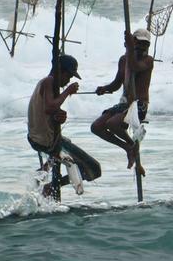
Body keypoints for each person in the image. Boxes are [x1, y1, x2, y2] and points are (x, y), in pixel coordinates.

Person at [27, 54, 101, 194]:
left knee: (65, 143)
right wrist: (68, 91)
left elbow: (48, 111)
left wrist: (58, 116)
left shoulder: (44, 83)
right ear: (61, 71)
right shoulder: (49, 81)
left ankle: (44, 172)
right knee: (94, 169)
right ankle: (52, 187)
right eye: (68, 76)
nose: (68, 80)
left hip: (37, 138)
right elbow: (49, 107)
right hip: (46, 141)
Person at [91, 29, 154, 173]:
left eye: (146, 44)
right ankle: (128, 147)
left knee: (112, 124)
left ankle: (132, 147)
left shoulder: (147, 60)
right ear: (133, 41)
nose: (142, 47)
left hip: (139, 105)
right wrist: (104, 89)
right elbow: (117, 84)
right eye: (139, 43)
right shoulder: (123, 59)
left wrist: (131, 48)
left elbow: (135, 67)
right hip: (124, 103)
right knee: (97, 126)